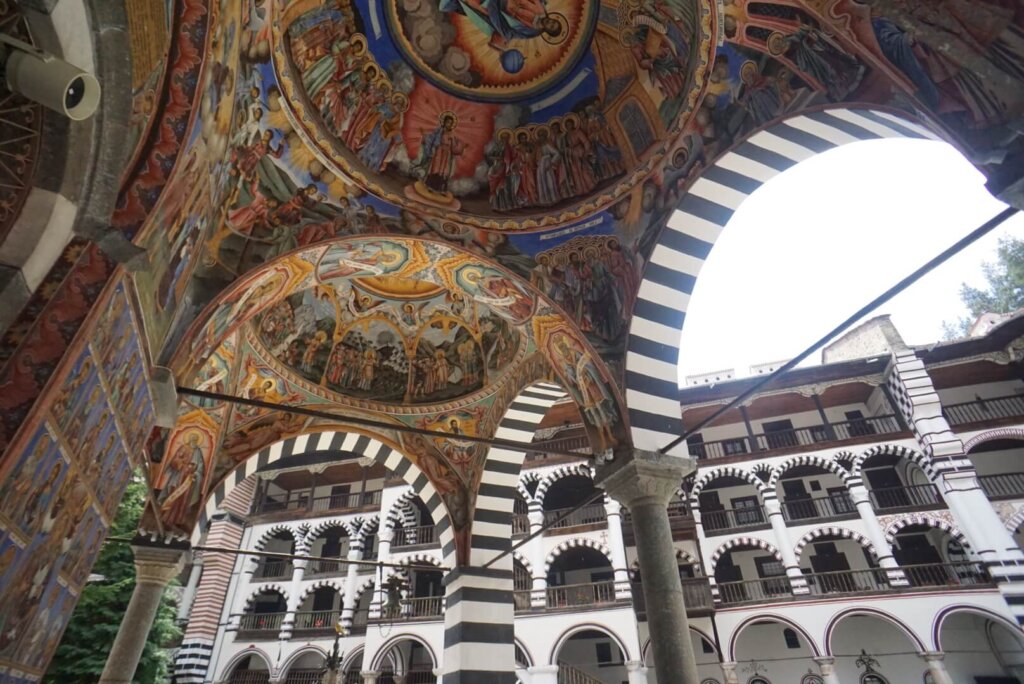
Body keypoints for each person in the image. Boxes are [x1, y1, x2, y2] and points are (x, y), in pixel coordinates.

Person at [439, 0, 563, 52]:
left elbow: (508, 31)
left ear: (547, 30)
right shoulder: (541, 8)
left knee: (475, 4)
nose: (550, 23)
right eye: (553, 22)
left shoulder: (530, 31)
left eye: (551, 27)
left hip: (499, 6)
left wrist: (494, 11)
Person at [415, 113, 465, 194]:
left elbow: (454, 147)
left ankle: (441, 189)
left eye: (451, 123)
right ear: (444, 122)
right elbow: (431, 139)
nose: (449, 124)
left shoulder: (452, 134)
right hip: (439, 152)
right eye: (448, 122)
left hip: (446, 155)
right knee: (436, 169)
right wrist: (424, 135)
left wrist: (461, 148)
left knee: (444, 171)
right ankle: (430, 186)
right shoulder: (439, 131)